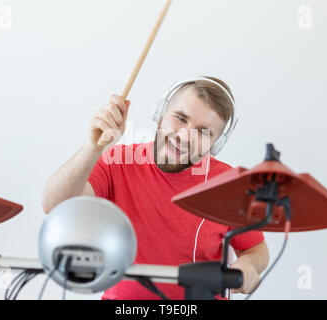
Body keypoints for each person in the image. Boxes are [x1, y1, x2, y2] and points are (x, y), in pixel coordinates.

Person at [42, 76, 269, 300]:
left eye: (203, 132)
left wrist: (247, 264)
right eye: (180, 118)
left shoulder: (228, 183)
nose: (184, 137)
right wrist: (93, 147)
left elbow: (256, 249)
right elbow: (55, 206)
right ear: (160, 114)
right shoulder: (118, 160)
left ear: (216, 144)